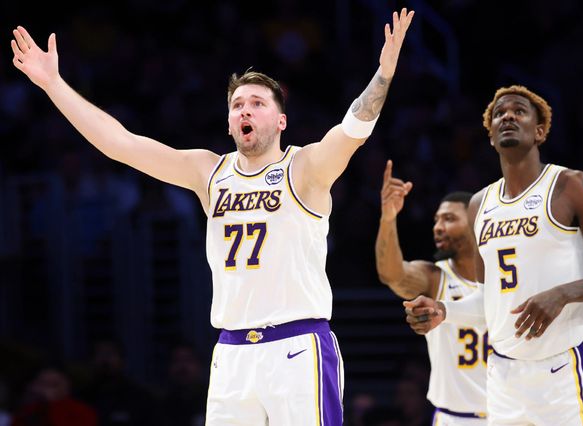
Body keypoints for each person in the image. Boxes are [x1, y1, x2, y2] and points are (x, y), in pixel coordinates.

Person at [10, 8, 414, 425]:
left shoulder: (305, 168)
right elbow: (120, 144)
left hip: (296, 347)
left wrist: (383, 74)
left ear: (281, 120)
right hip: (231, 354)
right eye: (237, 105)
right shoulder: (209, 173)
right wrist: (54, 84)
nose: (245, 111)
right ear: (228, 123)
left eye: (257, 103)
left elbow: (352, 129)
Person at [403, 85, 583, 425]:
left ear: (540, 131)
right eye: (499, 114)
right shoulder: (479, 205)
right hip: (503, 377)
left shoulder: (571, 185)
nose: (508, 117)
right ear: (490, 137)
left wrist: (563, 294)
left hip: (563, 370)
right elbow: (490, 300)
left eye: (519, 111)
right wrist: (444, 310)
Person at [376, 160, 487, 425]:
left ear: (476, 223)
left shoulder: (505, 276)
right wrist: (388, 218)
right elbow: (392, 274)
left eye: (449, 219)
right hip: (454, 418)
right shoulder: (435, 277)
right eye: (437, 219)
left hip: (509, 414)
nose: (438, 226)